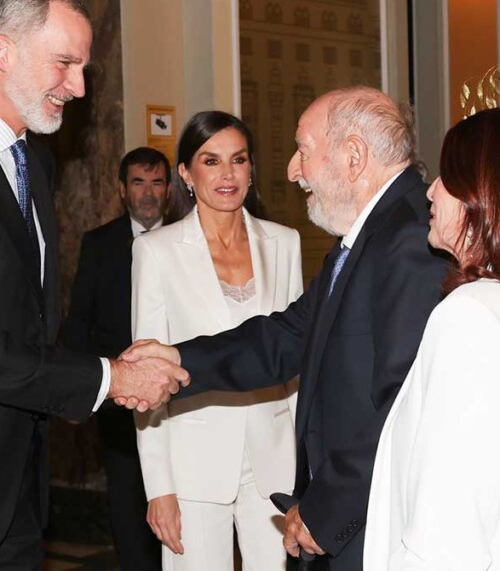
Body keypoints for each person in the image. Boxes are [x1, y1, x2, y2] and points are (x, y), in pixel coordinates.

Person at [121, 87, 449, 571]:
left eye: (304, 150)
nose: (294, 169)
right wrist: (178, 359)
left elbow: (399, 405)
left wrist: (325, 508)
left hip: (367, 514)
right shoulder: (364, 238)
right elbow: (287, 335)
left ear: (353, 156)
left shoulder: (405, 241)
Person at [0, 0, 187, 569]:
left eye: (83, 67)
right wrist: (108, 379)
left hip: (22, 481)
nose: (78, 87)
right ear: (2, 50)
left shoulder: (35, 164)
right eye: (64, 63)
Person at [132, 110, 303, 571]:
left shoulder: (285, 243)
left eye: (239, 160)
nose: (227, 174)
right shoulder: (155, 252)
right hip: (192, 463)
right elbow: (148, 379)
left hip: (275, 460)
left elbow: (295, 359)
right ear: (185, 173)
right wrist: (159, 487)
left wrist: (307, 468)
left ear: (251, 169)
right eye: (211, 161)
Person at [364, 108, 500, 570]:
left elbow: (446, 522)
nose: (430, 189)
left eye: (446, 175)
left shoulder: (467, 316)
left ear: (479, 195)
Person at [65, 147, 172, 571]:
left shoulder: (188, 238)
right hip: (119, 398)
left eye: (157, 183)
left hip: (179, 395)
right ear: (122, 190)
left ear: (169, 189)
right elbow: (80, 320)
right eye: (138, 183)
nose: (148, 194)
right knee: (128, 493)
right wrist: (75, 388)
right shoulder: (100, 244)